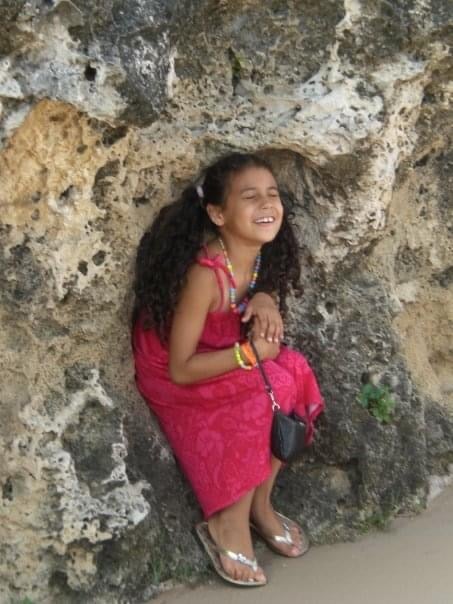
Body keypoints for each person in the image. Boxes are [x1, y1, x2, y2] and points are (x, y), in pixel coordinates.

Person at [131, 152, 325, 587]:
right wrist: (249, 357)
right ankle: (227, 522)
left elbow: (257, 285)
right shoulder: (206, 274)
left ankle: (260, 503)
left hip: (222, 352)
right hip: (174, 373)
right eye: (250, 197)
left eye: (272, 195)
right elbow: (179, 369)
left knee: (293, 371)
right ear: (218, 213)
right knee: (263, 391)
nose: (267, 205)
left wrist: (266, 298)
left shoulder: (256, 255)